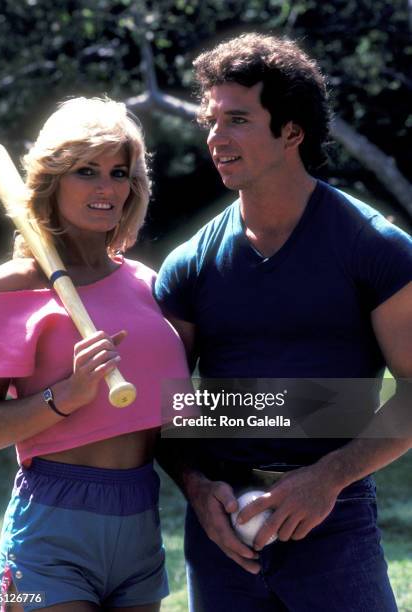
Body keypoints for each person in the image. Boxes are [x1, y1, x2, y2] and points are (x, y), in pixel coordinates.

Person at [154, 34, 412, 611]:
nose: (217, 137)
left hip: (334, 517)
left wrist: (327, 479)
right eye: (212, 119)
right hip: (222, 526)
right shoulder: (189, 264)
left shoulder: (375, 248)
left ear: (292, 132)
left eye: (238, 119)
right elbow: (164, 403)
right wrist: (198, 491)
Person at [0, 96, 189, 612]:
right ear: (52, 182)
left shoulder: (149, 286)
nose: (106, 187)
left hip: (141, 520)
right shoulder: (13, 286)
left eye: (120, 172)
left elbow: (178, 419)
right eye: (86, 171)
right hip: (51, 526)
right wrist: (65, 397)